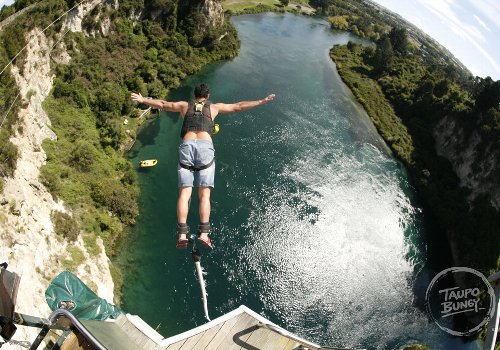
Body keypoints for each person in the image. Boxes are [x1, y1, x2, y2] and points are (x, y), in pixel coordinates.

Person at [131, 84, 275, 250]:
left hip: (187, 146)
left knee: (185, 193)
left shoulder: (184, 106)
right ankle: (204, 235)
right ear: (208, 96)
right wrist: (260, 101)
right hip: (205, 148)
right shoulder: (214, 107)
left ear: (194, 96)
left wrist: (144, 100)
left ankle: (182, 234)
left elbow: (163, 104)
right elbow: (238, 107)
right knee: (204, 194)